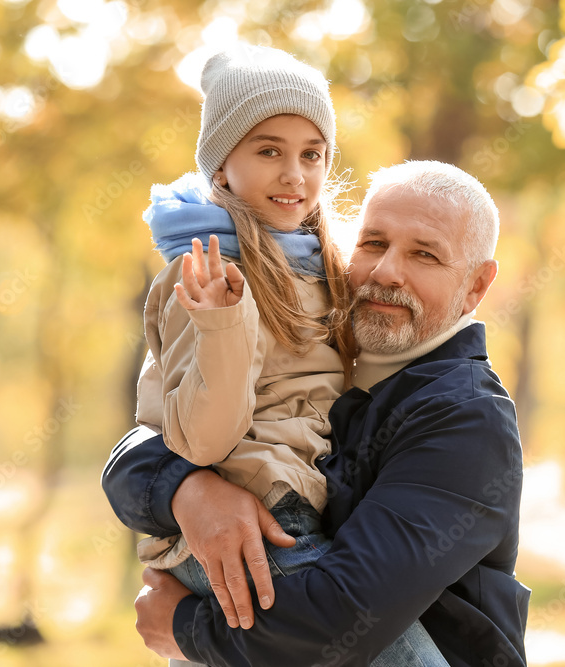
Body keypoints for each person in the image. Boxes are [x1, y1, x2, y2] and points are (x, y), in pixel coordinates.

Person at [104, 160, 531, 666]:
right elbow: (147, 443)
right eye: (373, 243)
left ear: (477, 286)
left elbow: (345, 614)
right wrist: (190, 491)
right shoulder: (318, 357)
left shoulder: (465, 418)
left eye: (425, 254)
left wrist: (186, 629)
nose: (386, 271)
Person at [132, 44, 444, 666]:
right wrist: (221, 324)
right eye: (268, 150)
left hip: (301, 507)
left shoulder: (317, 265)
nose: (294, 175)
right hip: (254, 523)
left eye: (312, 154)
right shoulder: (206, 274)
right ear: (222, 164)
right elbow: (202, 442)